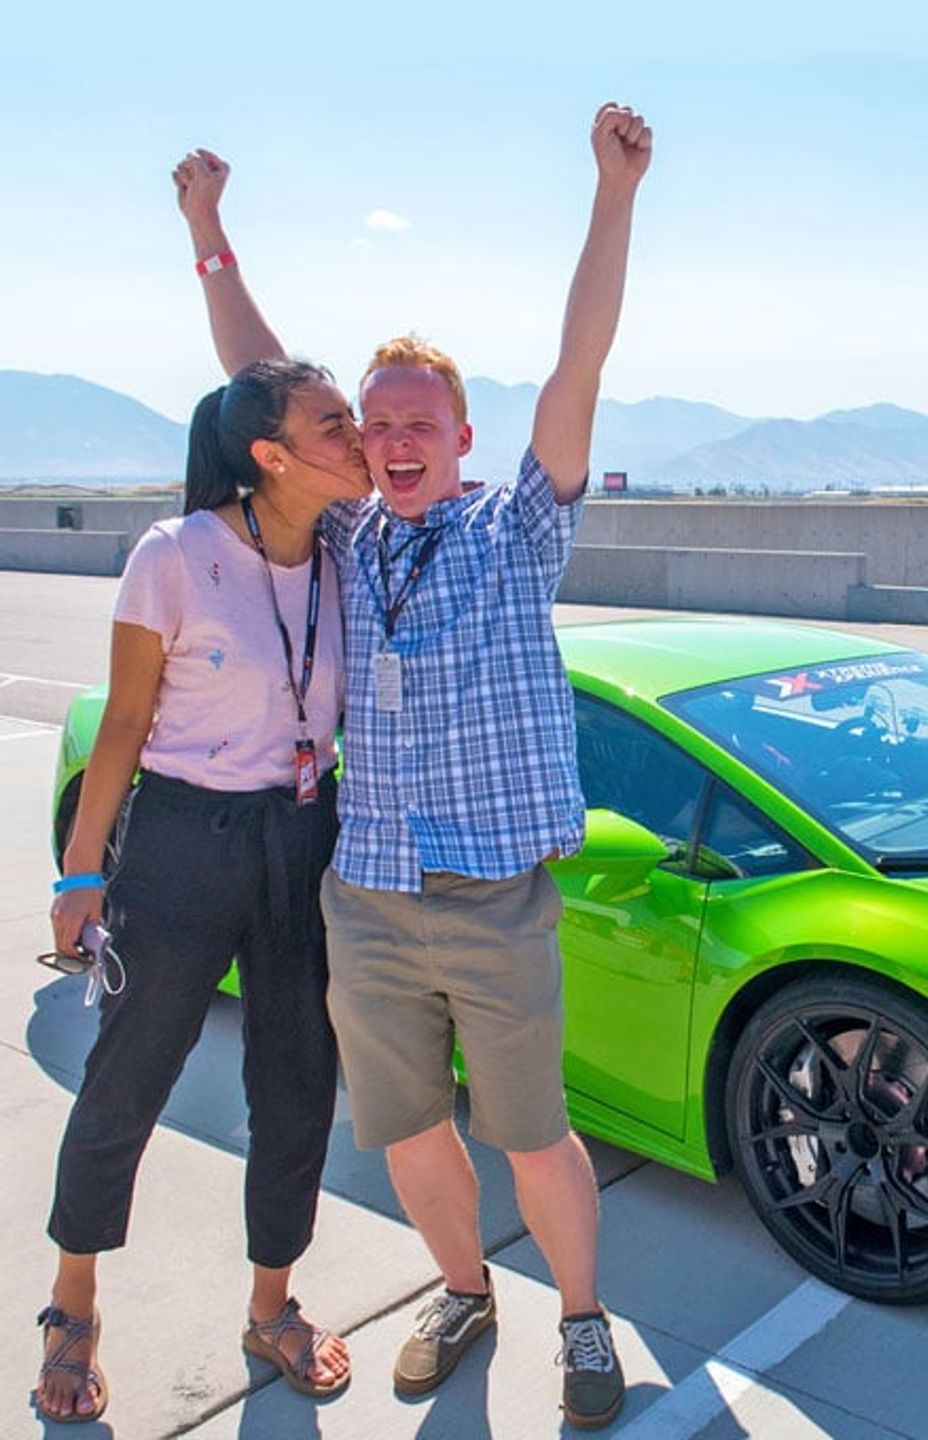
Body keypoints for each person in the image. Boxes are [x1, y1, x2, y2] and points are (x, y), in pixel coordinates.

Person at [173, 102, 651, 1429]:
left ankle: (585, 1319)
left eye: (417, 420)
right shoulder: (341, 542)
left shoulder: (520, 537)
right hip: (366, 902)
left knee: (534, 1135)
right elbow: (260, 385)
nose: (390, 437)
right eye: (372, 422)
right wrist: (210, 235)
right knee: (411, 1134)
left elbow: (580, 363)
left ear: (462, 438)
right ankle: (462, 1290)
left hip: (494, 900)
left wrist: (612, 195)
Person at [36, 359, 372, 1422]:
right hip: (184, 839)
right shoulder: (174, 555)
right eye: (334, 423)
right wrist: (82, 872)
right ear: (271, 456)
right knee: (128, 1078)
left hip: (302, 838)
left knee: (296, 1083)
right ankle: (73, 1306)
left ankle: (272, 1306)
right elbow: (124, 730)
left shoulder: (341, 557)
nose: (358, 435)